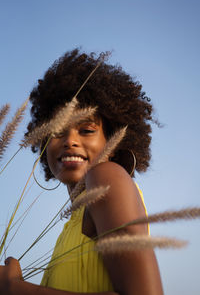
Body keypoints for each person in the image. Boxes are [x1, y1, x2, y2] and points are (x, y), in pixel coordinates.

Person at [0, 49, 163, 294]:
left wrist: (16, 289)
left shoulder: (106, 178)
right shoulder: (69, 230)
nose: (70, 141)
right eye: (57, 132)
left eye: (86, 130)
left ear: (113, 141)